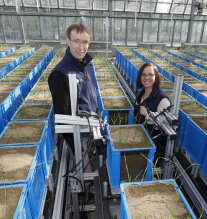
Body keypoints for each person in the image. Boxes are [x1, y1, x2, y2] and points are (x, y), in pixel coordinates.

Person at [48, 23, 98, 154]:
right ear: (68, 41)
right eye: (77, 41)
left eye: (85, 42)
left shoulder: (85, 65)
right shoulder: (61, 74)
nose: (81, 47)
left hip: (91, 129)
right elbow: (62, 117)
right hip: (79, 136)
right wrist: (77, 150)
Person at [134, 62, 171, 164]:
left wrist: (148, 115)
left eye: (150, 74)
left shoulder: (162, 99)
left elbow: (164, 127)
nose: (146, 78)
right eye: (143, 74)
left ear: (156, 76)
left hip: (152, 150)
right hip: (139, 141)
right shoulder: (140, 93)